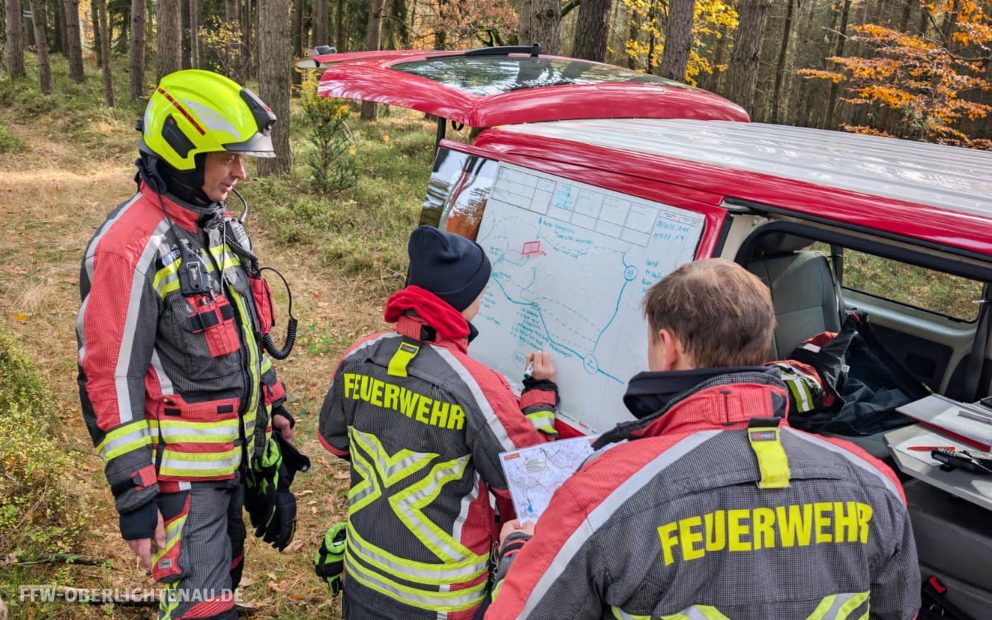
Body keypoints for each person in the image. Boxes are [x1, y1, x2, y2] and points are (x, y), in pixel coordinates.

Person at [486, 258, 920, 620]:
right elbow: (899, 610)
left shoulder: (602, 493)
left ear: (667, 345)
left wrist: (517, 553)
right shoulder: (874, 484)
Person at [77, 69, 299, 620]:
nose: (240, 171)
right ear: (182, 154)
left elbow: (247, 335)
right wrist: (135, 493)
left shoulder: (222, 228)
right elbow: (110, 377)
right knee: (202, 608)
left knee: (226, 573)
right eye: (227, 157)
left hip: (235, 463)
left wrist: (273, 413)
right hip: (180, 479)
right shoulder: (130, 248)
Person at [318, 225, 560, 619]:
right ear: (465, 299)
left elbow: (334, 442)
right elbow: (533, 481)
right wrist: (539, 400)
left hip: (362, 575)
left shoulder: (358, 357)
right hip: (442, 599)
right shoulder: (479, 387)